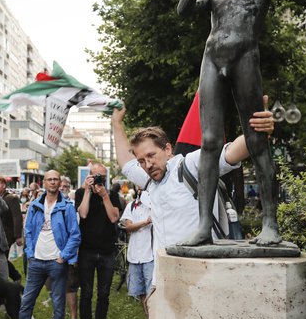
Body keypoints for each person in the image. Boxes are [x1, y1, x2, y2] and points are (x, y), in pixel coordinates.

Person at [177, 0, 298, 245]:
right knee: (209, 142)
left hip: (245, 57)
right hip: (211, 60)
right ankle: (204, 225)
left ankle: (270, 223)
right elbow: (183, 9)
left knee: (256, 139)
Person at [112, 105, 273, 271]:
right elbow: (126, 163)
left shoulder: (191, 165)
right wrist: (116, 122)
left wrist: (257, 132)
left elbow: (230, 154)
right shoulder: (151, 179)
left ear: (167, 149)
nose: (148, 164)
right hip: (165, 276)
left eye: (151, 155)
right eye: (141, 161)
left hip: (204, 274)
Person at [1, 170, 81, 319]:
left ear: (59, 182)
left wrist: (64, 256)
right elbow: (28, 230)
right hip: (36, 261)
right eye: (49, 179)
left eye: (55, 179)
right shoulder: (36, 205)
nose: (52, 182)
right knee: (27, 301)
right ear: (44, 183)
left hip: (56, 262)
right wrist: (30, 252)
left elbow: (75, 235)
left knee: (58, 304)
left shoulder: (67, 206)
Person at [75, 162, 122, 319]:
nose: (99, 180)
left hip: (106, 251)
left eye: (102, 176)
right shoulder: (81, 193)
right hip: (87, 250)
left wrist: (104, 197)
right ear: (89, 176)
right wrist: (87, 191)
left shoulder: (112, 195)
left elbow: (113, 218)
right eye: (96, 176)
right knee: (86, 292)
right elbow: (83, 214)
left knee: (104, 293)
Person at [120, 189, 154, 311]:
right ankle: (147, 315)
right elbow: (128, 227)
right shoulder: (131, 206)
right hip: (134, 255)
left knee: (152, 289)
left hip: (150, 254)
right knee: (140, 290)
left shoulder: (154, 204)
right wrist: (145, 222)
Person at [0, 176, 23, 283]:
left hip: (6, 234)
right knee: (0, 259)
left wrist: (18, 236)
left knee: (2, 258)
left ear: (3, 186)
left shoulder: (10, 198)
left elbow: (17, 217)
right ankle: (14, 276)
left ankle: (14, 276)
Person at [59, 175, 80, 319]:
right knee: (55, 287)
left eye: (66, 185)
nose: (63, 187)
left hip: (71, 253)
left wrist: (74, 253)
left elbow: (77, 231)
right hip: (52, 253)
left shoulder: (73, 205)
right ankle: (57, 316)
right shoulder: (48, 204)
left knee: (71, 287)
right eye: (61, 184)